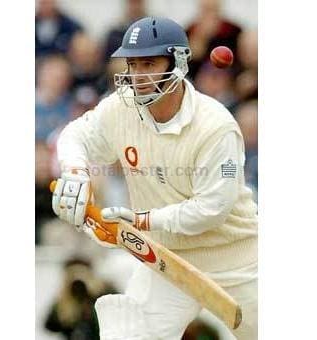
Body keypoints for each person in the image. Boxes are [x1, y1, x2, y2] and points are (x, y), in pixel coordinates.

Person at [51, 17, 258, 340]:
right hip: (166, 261)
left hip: (237, 259)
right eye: (133, 64)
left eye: (149, 63)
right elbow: (75, 135)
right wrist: (76, 173)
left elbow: (212, 209)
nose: (138, 75)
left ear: (177, 63)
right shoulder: (120, 108)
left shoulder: (216, 127)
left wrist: (141, 220)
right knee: (127, 335)